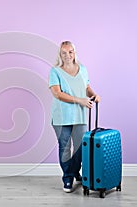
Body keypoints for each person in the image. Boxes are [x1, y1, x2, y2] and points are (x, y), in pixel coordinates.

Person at [48, 41, 100, 193]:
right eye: (64, 53)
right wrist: (80, 100)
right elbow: (57, 93)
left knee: (79, 148)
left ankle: (75, 171)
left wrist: (94, 95)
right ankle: (68, 177)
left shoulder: (82, 69)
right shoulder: (55, 71)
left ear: (74, 53)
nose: (68, 55)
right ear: (60, 55)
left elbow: (87, 88)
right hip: (61, 117)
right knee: (65, 148)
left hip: (80, 116)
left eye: (70, 52)